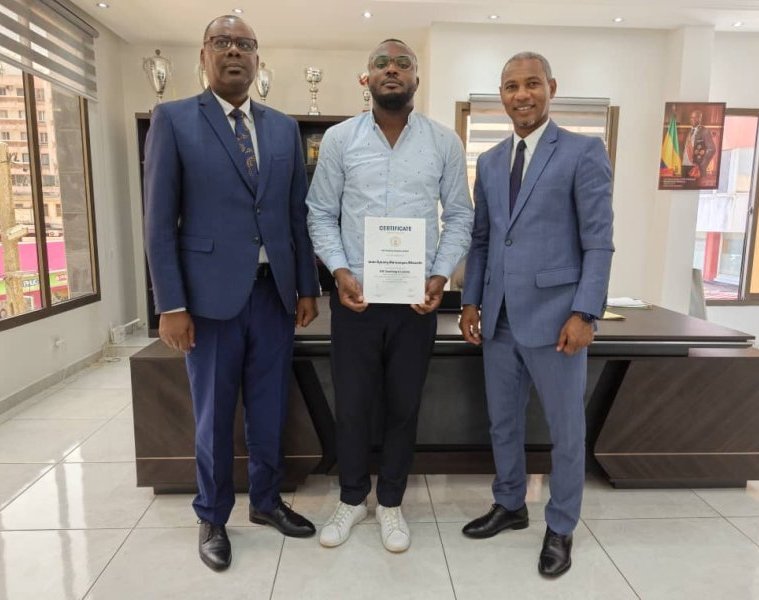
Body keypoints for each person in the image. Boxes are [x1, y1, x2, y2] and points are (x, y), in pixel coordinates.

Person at [143, 15, 321, 572]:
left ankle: (266, 502)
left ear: (257, 57)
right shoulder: (174, 120)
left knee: (269, 408)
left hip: (274, 296)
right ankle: (213, 515)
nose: (234, 52)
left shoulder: (282, 128)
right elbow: (158, 223)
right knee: (214, 417)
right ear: (204, 55)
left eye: (245, 44)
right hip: (208, 301)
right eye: (222, 43)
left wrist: (307, 285)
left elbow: (295, 215)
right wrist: (171, 304)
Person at [306, 39, 473, 552]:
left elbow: (460, 216)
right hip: (355, 300)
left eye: (403, 63)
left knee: (403, 405)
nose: (392, 70)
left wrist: (440, 275)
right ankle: (352, 498)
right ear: (368, 78)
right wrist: (339, 271)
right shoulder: (339, 139)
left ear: (416, 79)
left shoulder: (443, 142)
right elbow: (320, 213)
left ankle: (392, 503)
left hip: (415, 302)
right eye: (381, 63)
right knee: (353, 405)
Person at [459, 51, 614, 577]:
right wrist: (471, 301)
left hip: (557, 321)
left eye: (531, 84)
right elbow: (483, 240)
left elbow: (598, 242)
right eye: (511, 86)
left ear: (551, 87)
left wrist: (585, 312)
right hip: (499, 318)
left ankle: (561, 525)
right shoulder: (490, 161)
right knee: (502, 422)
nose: (521, 94)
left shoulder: (582, 152)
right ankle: (510, 504)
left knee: (566, 430)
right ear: (501, 96)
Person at [682, 109, 716, 182]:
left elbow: (712, 149)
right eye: (691, 117)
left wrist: (702, 165)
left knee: (695, 187)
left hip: (696, 167)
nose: (692, 119)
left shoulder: (704, 131)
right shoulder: (689, 131)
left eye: (695, 117)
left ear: (700, 118)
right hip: (685, 165)